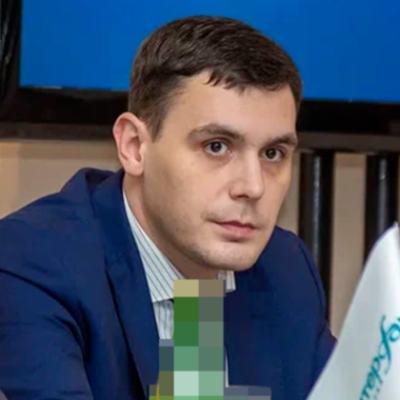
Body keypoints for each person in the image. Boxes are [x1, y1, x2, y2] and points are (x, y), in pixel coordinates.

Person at [0, 16, 336, 400]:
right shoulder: (29, 265)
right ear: (134, 147)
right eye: (216, 146)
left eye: (273, 153)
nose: (253, 187)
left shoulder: (283, 267)